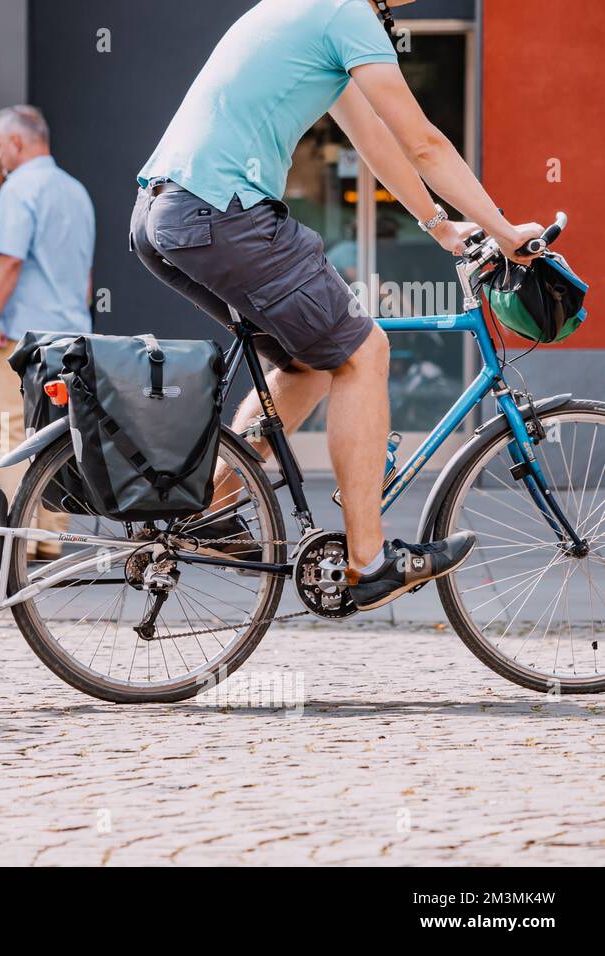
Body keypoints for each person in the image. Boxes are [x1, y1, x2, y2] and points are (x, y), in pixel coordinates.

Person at [129, 0, 543, 610]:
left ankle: (210, 512)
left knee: (311, 366)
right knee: (363, 350)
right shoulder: (345, 11)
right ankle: (369, 561)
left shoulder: (309, 9)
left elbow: (373, 138)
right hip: (221, 212)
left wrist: (440, 226)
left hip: (164, 216)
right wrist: (505, 231)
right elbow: (424, 142)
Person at [0, 105, 95, 559]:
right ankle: (50, 534)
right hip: (71, 335)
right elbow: (85, 275)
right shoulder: (76, 191)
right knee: (60, 433)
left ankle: (18, 534)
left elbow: (9, 260)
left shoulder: (18, 188)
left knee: (8, 430)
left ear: (15, 142)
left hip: (23, 338)